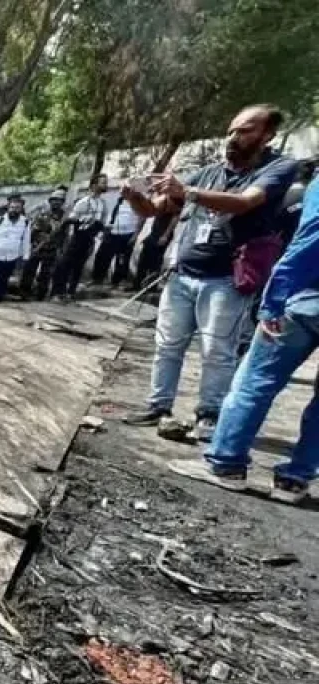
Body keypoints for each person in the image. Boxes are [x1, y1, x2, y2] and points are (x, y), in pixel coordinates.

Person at [121, 105, 299, 442]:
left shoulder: (278, 168)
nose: (234, 137)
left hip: (226, 280)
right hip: (182, 275)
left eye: (245, 130)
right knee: (167, 345)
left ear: (267, 135)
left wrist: (186, 192)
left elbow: (246, 202)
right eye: (231, 131)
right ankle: (159, 406)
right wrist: (134, 198)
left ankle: (209, 415)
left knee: (217, 350)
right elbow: (154, 209)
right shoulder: (207, 173)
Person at [167, 179, 319, 498]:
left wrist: (273, 301)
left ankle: (226, 464)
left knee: (256, 381)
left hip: (305, 301)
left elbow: (310, 241)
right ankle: (296, 479)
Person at [52, 175, 108, 300]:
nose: (105, 185)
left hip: (89, 239)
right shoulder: (84, 202)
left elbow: (102, 222)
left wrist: (101, 231)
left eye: (105, 183)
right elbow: (70, 220)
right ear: (94, 186)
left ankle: (70, 293)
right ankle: (57, 292)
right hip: (77, 238)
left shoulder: (102, 204)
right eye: (102, 183)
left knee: (79, 267)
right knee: (65, 265)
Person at [21, 189, 70, 301]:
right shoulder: (43, 214)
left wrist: (61, 249)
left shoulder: (64, 218)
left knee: (46, 273)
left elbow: (64, 235)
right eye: (54, 200)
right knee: (29, 271)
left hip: (52, 249)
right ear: (50, 201)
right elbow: (33, 231)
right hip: (37, 247)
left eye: (59, 201)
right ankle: (24, 293)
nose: (56, 203)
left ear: (62, 202)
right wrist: (31, 246)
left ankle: (40, 295)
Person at [93, 180, 143, 288]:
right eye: (121, 190)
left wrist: (135, 235)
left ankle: (117, 281)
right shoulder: (119, 201)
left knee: (122, 260)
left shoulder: (138, 202)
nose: (122, 192)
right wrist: (107, 229)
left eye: (125, 190)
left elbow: (141, 219)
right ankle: (97, 279)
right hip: (113, 232)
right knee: (102, 255)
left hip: (128, 234)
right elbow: (114, 215)